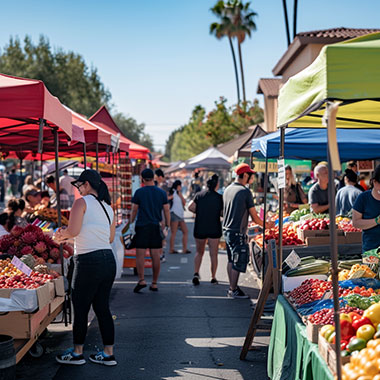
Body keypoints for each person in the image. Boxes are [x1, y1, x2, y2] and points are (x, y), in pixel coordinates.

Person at [54, 169, 117, 366]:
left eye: (80, 185)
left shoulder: (81, 203)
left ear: (87, 184)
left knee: (80, 308)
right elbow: (110, 238)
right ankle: (108, 354)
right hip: (108, 260)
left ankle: (77, 353)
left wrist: (62, 234)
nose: (79, 189)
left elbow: (73, 230)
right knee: (103, 308)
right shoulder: (108, 208)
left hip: (88, 261)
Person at [223, 163, 270, 299]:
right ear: (244, 175)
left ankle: (232, 288)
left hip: (227, 230)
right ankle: (233, 290)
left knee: (231, 260)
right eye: (251, 175)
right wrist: (267, 226)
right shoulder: (244, 192)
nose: (252, 178)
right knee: (237, 260)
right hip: (237, 231)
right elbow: (255, 217)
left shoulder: (228, 189)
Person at [130, 168, 170, 292]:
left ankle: (141, 280)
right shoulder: (161, 193)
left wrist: (131, 223)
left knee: (140, 254)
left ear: (142, 179)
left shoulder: (139, 192)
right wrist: (167, 225)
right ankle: (154, 283)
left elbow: (134, 210)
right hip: (155, 226)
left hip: (142, 226)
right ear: (153, 178)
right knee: (155, 255)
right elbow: (166, 210)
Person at [188, 174, 223, 285]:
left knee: (199, 252)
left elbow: (190, 207)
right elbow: (223, 213)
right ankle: (213, 277)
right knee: (213, 254)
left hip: (200, 226)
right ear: (216, 185)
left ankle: (196, 273)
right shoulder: (219, 198)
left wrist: (199, 211)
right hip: (214, 227)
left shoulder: (199, 195)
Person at [352, 165, 380, 253]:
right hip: (370, 250)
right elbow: (356, 222)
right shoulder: (363, 198)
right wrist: (376, 221)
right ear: (374, 182)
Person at [169, 180, 190, 254]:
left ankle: (184, 249)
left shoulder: (179, 193)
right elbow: (167, 199)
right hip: (174, 214)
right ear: (177, 186)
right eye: (180, 186)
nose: (181, 187)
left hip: (180, 215)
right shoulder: (172, 192)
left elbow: (184, 203)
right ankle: (171, 249)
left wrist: (180, 195)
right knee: (173, 232)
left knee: (185, 231)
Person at [155, 169, 171, 263]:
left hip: (159, 216)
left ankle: (160, 254)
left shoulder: (161, 187)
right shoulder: (160, 189)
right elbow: (166, 208)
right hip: (160, 217)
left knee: (161, 237)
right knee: (161, 237)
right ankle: (160, 255)